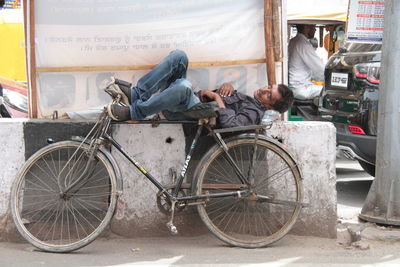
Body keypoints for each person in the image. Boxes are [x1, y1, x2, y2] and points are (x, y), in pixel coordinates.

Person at [108, 50, 293, 128]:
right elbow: (222, 101)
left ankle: (134, 112)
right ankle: (136, 95)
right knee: (179, 57)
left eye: (269, 94)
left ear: (270, 106)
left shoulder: (255, 111)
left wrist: (216, 97)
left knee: (184, 86)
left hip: (191, 111)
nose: (263, 90)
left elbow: (231, 125)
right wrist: (224, 89)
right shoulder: (250, 99)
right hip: (191, 102)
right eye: (269, 87)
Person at [288, 24, 325, 100]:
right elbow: (319, 68)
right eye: (314, 27)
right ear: (306, 27)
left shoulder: (293, 40)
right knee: (331, 92)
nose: (315, 30)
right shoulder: (303, 44)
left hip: (297, 86)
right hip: (301, 89)